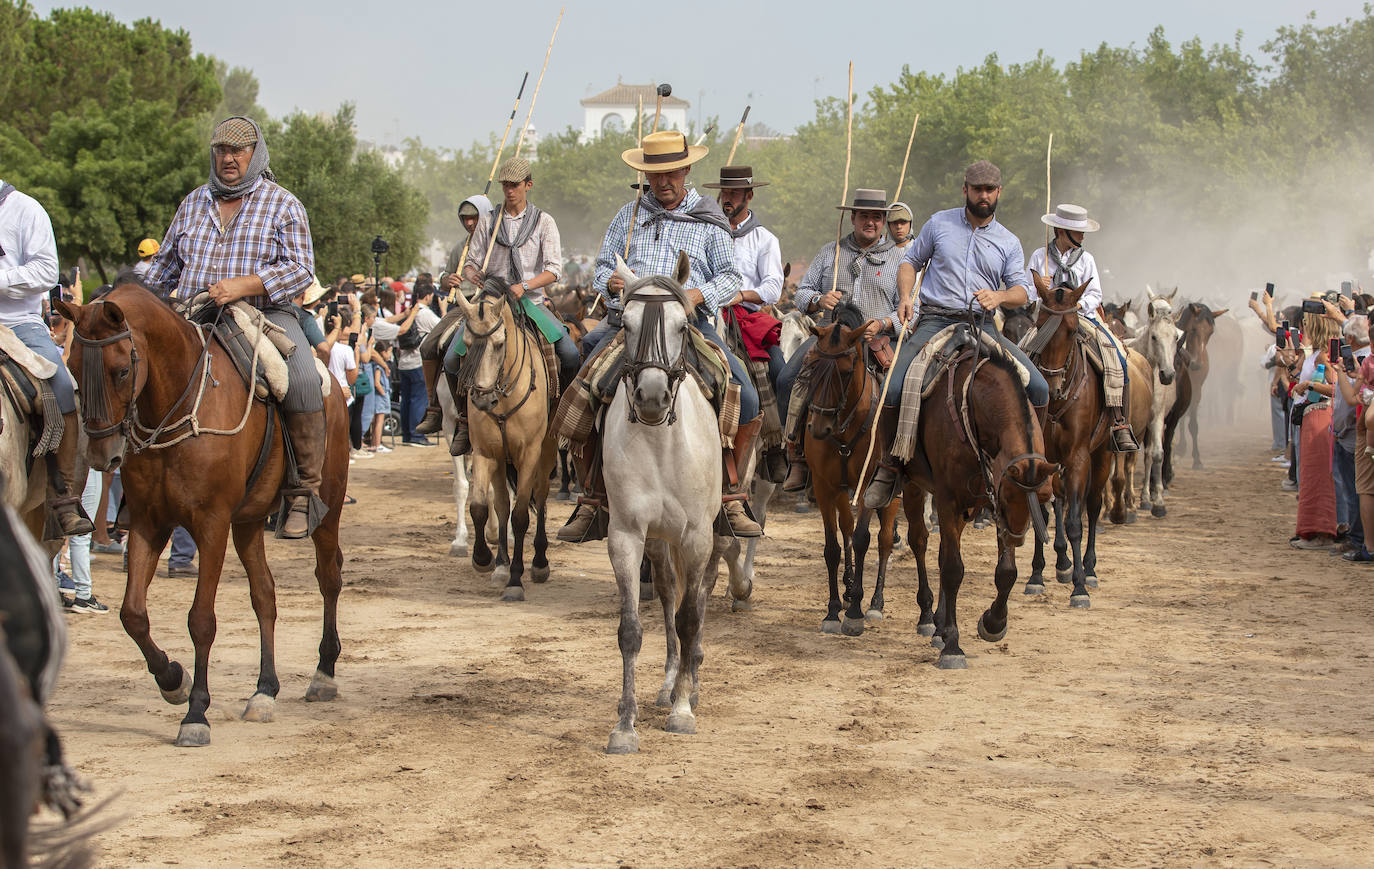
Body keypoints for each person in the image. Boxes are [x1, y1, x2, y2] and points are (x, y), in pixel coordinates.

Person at [559, 129, 762, 541]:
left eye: (671, 173)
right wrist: (611, 282)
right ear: (646, 175)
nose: (663, 181)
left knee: (747, 395)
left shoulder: (708, 219)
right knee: (580, 387)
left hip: (686, 326)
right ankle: (592, 495)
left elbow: (729, 275)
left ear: (686, 171)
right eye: (655, 174)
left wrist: (697, 294)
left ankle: (730, 494)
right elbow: (602, 266)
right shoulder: (629, 215)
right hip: (629, 325)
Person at [144, 115, 324, 538]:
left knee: (301, 378)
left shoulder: (283, 203)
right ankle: (140, 484)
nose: (228, 158)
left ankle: (303, 489)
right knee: (137, 371)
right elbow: (163, 268)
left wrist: (245, 284)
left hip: (264, 314)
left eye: (238, 150)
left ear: (255, 154)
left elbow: (301, 268)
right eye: (221, 150)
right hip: (192, 314)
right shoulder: (193, 202)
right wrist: (137, 300)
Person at [864, 160, 1051, 509]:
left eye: (990, 189)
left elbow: (1022, 291)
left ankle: (1031, 465)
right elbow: (909, 263)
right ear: (965, 190)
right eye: (977, 189)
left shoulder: (1008, 241)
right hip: (935, 321)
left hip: (983, 325)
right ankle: (890, 466)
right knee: (893, 385)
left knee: (1039, 387)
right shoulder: (939, 224)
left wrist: (999, 297)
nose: (983, 195)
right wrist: (905, 297)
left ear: (998, 192)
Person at [447, 156, 579, 455]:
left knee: (570, 354)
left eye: (515, 185)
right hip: (491, 302)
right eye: (505, 185)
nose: (509, 191)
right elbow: (471, 262)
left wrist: (526, 285)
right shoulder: (489, 222)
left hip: (529, 301)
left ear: (528, 185)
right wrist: (473, 274)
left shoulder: (544, 222)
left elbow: (554, 270)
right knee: (452, 359)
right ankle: (465, 420)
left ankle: (560, 418)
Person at [778, 188, 902, 493]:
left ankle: (895, 463)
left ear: (884, 221)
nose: (870, 222)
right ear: (852, 218)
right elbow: (802, 292)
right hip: (829, 339)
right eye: (864, 216)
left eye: (877, 217)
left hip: (875, 340)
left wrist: (884, 322)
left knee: (900, 392)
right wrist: (818, 300)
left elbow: (909, 309)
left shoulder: (899, 259)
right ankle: (797, 455)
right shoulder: (829, 252)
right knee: (787, 379)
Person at [0, 177, 94, 536]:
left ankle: (63, 496)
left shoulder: (25, 209)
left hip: (17, 324)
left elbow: (45, 271)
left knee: (61, 386)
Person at [1027, 204, 1139, 452]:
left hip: (1081, 317)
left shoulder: (1087, 259)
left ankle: (1119, 422)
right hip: (1047, 319)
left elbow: (1095, 294)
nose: (1083, 236)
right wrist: (1037, 287)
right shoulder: (1039, 257)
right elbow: (1026, 295)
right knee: (1018, 357)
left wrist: (1077, 305)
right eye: (1078, 231)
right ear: (1061, 231)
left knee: (1117, 359)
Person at [705, 165, 787, 483]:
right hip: (707, 310)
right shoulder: (707, 230)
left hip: (746, 316)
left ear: (749, 196)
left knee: (777, 370)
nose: (727, 198)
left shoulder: (765, 239)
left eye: (734, 193)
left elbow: (773, 287)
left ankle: (777, 445)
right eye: (724, 192)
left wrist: (739, 295)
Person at [414, 194, 494, 436]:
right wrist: (447, 280)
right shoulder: (460, 247)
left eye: (474, 217)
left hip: (493, 304)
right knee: (428, 346)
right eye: (465, 218)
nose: (469, 223)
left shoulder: (498, 244)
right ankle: (434, 408)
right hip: (462, 305)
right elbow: (444, 276)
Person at [1331, 315, 1370, 556]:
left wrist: (1339, 429)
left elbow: (1350, 401)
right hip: (1354, 431)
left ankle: (1358, 539)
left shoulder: (1361, 363)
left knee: (1356, 490)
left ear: (1350, 338)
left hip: (1351, 434)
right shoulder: (1364, 360)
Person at [397, 279, 439, 445]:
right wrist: (443, 309)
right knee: (419, 400)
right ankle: (416, 435)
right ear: (428, 296)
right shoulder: (425, 313)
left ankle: (407, 435)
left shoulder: (409, 312)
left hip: (404, 362)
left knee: (406, 400)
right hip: (418, 362)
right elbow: (443, 327)